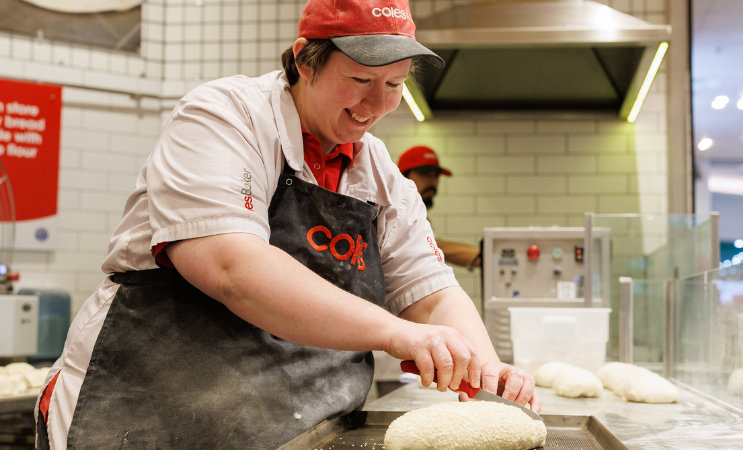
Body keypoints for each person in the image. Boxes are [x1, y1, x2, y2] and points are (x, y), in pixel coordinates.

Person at [34, 1, 539, 448]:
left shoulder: (381, 175)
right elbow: (231, 266)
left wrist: (485, 371)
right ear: (305, 60)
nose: (377, 105)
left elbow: (431, 295)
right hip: (142, 415)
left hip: (293, 431)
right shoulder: (225, 116)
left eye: (394, 85)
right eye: (361, 80)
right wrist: (394, 333)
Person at [398, 145, 482, 268]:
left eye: (436, 175)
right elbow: (432, 246)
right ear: (403, 176)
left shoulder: (419, 215)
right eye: (425, 174)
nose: (433, 182)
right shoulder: (395, 213)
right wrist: (489, 256)